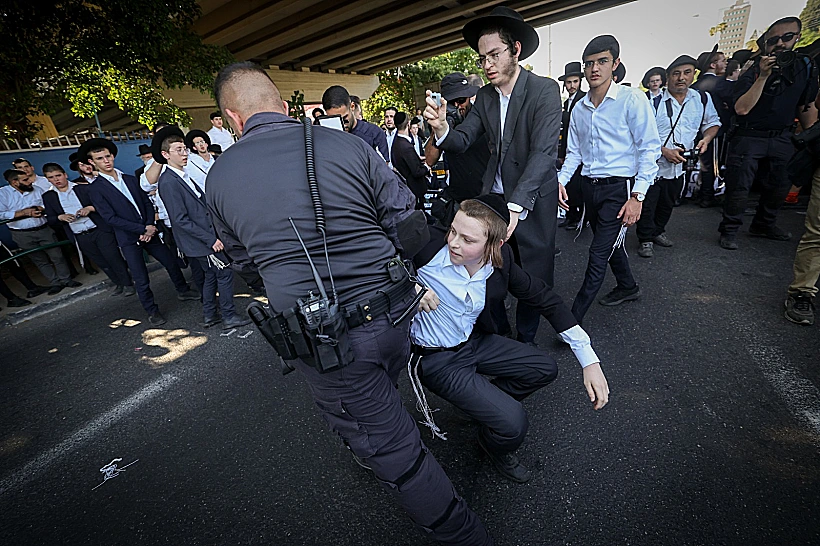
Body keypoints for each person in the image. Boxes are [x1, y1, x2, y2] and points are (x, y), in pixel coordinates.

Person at [205, 61, 490, 545]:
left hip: (329, 343)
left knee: (397, 450)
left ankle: (463, 534)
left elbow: (245, 266)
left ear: (233, 118)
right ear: (282, 103)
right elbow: (410, 224)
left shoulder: (220, 176)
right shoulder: (347, 144)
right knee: (384, 390)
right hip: (396, 317)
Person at [409, 196, 609, 483]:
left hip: (474, 342)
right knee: (514, 424)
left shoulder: (501, 262)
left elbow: (544, 298)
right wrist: (410, 286)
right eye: (453, 231)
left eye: (468, 240)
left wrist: (589, 359)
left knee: (544, 368)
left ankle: (484, 412)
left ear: (495, 245)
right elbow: (373, 258)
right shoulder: (426, 245)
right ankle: (494, 443)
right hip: (436, 359)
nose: (453, 243)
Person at [423, 6, 562, 345]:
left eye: (494, 55)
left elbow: (543, 153)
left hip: (529, 203)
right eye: (482, 58)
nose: (487, 65)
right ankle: (498, 336)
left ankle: (526, 342)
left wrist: (516, 206)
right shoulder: (484, 96)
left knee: (533, 278)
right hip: (492, 202)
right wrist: (441, 128)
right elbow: (463, 139)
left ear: (515, 49)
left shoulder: (544, 90)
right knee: (484, 273)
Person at [558, 35, 661, 323]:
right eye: (589, 63)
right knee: (610, 243)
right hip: (589, 188)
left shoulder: (632, 99)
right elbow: (574, 153)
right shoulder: (579, 108)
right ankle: (628, 286)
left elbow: (649, 149)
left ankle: (571, 322)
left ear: (615, 64)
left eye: (602, 61)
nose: (594, 69)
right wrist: (560, 181)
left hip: (619, 189)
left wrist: (637, 196)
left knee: (597, 253)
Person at [718, 17, 819, 250]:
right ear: (766, 44)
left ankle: (764, 223)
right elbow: (742, 108)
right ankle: (730, 229)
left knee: (780, 183)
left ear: (797, 38)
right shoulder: (753, 70)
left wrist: (809, 137)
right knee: (739, 187)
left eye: (787, 37)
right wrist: (763, 76)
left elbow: (807, 104)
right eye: (774, 40)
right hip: (749, 135)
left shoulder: (804, 66)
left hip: (783, 136)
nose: (780, 44)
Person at [80, 138, 199, 325]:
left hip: (149, 230)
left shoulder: (129, 178)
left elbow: (146, 202)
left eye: (108, 156)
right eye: (100, 158)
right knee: (140, 277)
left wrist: (150, 224)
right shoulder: (95, 189)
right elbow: (110, 218)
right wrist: (142, 229)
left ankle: (183, 290)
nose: (106, 161)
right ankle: (152, 311)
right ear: (92, 162)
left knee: (170, 261)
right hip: (129, 238)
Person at [154, 127, 250, 330]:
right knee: (224, 274)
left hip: (203, 238)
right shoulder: (169, 181)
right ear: (165, 155)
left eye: (184, 149)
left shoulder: (181, 175)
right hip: (200, 241)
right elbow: (180, 220)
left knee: (210, 277)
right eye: (178, 150)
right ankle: (228, 315)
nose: (184, 154)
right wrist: (210, 239)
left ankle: (209, 314)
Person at [636, 56, 720, 258]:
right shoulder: (651, 100)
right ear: (667, 77)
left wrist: (706, 139)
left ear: (694, 75)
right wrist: (664, 151)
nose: (681, 78)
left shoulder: (701, 99)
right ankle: (645, 238)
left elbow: (712, 123)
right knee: (648, 203)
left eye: (687, 72)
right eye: (676, 73)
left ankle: (658, 231)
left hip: (680, 166)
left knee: (669, 201)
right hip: (653, 165)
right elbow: (639, 134)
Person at [41, 163, 134, 296]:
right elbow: (50, 218)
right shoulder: (49, 196)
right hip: (79, 234)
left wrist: (89, 208)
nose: (56, 179)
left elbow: (102, 206)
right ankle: (118, 283)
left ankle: (127, 283)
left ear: (65, 175)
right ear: (47, 179)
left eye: (58, 175)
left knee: (113, 257)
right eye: (51, 177)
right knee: (101, 261)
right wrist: (60, 217)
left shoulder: (83, 189)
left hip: (98, 229)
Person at [0, 169, 80, 295]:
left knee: (57, 255)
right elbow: (1, 214)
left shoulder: (37, 189)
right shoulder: (3, 194)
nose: (30, 181)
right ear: (15, 182)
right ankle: (55, 283)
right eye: (25, 180)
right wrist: (24, 213)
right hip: (22, 234)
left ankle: (66, 280)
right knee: (40, 260)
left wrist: (40, 209)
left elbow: (48, 205)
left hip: (44, 228)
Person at [423, 72, 489, 212]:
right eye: (452, 102)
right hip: (459, 199)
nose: (458, 106)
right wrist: (439, 129)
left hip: (485, 197)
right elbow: (429, 160)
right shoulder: (442, 122)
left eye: (461, 100)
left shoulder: (480, 114)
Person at [692, 46, 735, 208]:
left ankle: (696, 192)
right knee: (711, 164)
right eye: (723, 61)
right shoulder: (720, 83)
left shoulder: (695, 85)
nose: (726, 64)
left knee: (700, 162)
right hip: (714, 131)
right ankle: (707, 196)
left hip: (696, 129)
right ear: (712, 65)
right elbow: (735, 100)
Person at [322, 85, 389, 161]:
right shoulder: (327, 136)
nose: (342, 124)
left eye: (344, 118)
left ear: (352, 106)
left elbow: (384, 167)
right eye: (335, 120)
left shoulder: (374, 133)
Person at [558, 61, 586, 230]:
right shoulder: (567, 102)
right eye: (568, 82)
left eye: (575, 81)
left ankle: (579, 217)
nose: (571, 85)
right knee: (569, 185)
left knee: (579, 187)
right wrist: (561, 153)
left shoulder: (584, 99)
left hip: (581, 151)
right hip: (569, 149)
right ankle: (570, 216)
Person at [391, 111, 429, 207]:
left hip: (405, 189)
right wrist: (427, 167)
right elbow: (416, 171)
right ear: (408, 124)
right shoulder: (406, 146)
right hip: (414, 190)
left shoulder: (395, 143)